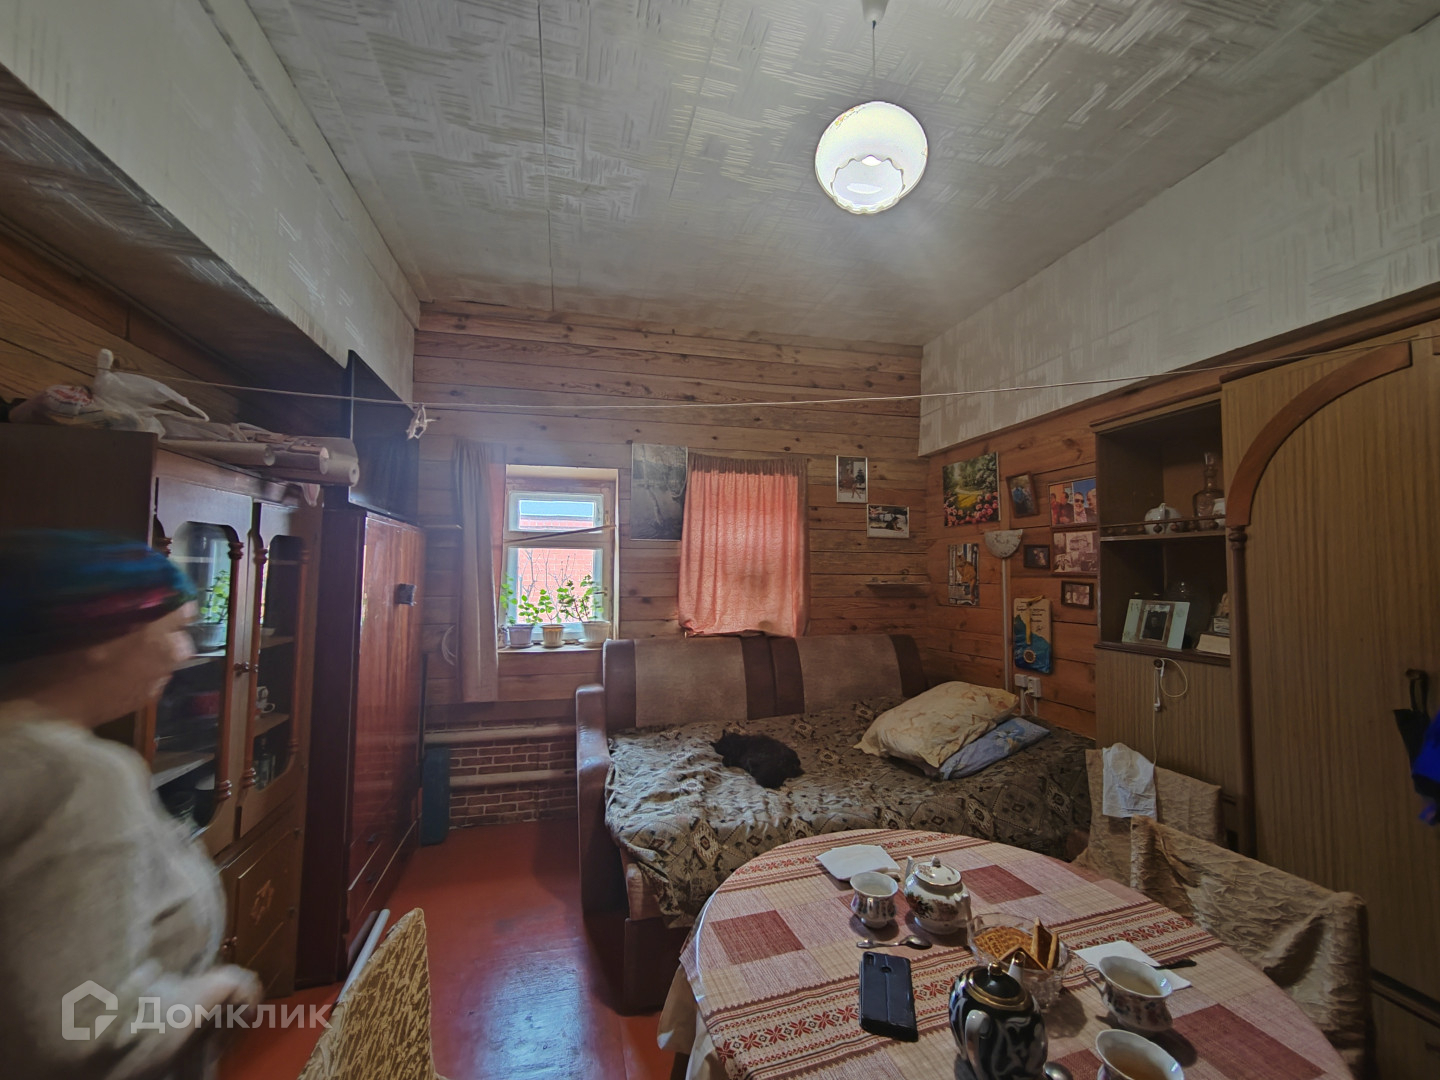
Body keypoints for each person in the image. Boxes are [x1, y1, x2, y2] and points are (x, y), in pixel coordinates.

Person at [0, 530, 260, 1080]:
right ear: (101, 634)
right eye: (176, 629)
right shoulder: (80, 778)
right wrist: (218, 990)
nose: (185, 652)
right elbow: (85, 1027)